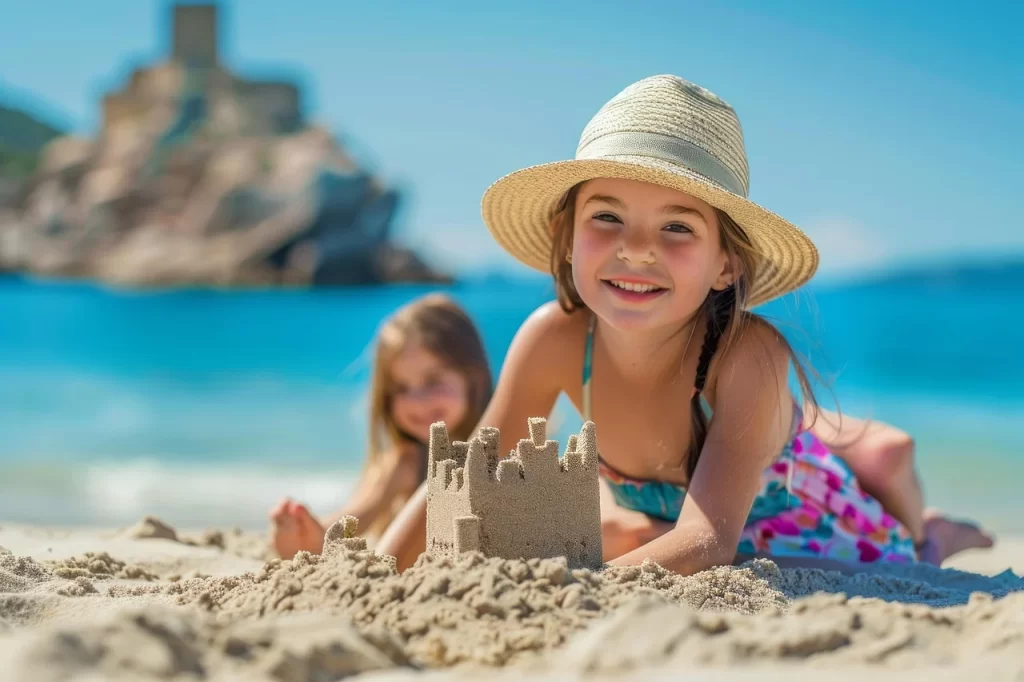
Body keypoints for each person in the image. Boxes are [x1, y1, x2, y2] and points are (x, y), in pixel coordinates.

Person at [373, 74, 993, 575]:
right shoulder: (553, 339)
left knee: (892, 525)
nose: (637, 248)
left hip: (798, 529)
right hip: (674, 528)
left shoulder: (747, 352)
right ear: (566, 237)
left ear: (726, 264)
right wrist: (378, 570)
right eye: (607, 217)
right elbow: (464, 480)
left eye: (676, 227)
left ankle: (934, 536)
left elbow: (708, 542)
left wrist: (577, 596)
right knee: (601, 532)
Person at [269, 292, 493, 559]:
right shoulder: (406, 462)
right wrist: (309, 536)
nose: (417, 401)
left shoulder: (508, 449)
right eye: (401, 388)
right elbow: (357, 516)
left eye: (432, 381)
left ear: (474, 379)